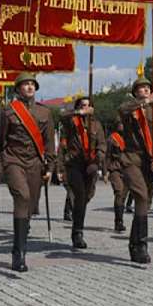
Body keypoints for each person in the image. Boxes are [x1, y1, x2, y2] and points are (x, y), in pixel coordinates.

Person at [1, 73, 55, 271]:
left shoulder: (45, 112)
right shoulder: (7, 112)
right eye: (25, 84)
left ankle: (21, 242)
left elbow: (49, 142)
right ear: (17, 89)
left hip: (35, 163)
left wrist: (50, 167)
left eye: (32, 84)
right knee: (22, 197)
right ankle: (19, 253)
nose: (30, 87)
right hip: (13, 160)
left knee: (30, 205)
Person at [118, 77, 153, 264]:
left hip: (150, 162)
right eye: (141, 88)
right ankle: (141, 245)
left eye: (148, 88)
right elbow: (123, 109)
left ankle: (134, 243)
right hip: (132, 159)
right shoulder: (130, 109)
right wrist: (144, 102)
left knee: (145, 202)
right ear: (135, 92)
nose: (145, 90)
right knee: (140, 196)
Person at [59, 96, 106, 249]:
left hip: (90, 165)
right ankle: (77, 233)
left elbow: (102, 145)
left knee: (87, 196)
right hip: (74, 163)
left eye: (88, 105)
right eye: (82, 105)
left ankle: (77, 218)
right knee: (79, 195)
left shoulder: (96, 124)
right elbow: (62, 116)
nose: (86, 107)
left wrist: (97, 161)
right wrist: (78, 112)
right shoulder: (71, 121)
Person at [105, 121, 128, 232]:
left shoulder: (129, 137)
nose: (122, 126)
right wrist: (105, 171)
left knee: (123, 195)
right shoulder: (112, 139)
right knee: (119, 192)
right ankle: (118, 221)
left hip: (127, 169)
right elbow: (107, 155)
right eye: (120, 124)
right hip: (115, 168)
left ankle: (120, 219)